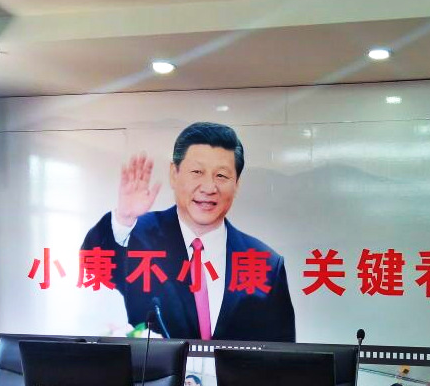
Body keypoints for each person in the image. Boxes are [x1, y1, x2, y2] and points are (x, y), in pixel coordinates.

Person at [82, 122, 295, 342]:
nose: (209, 187)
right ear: (174, 174)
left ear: (237, 184)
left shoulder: (267, 263)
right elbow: (92, 266)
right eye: (197, 172)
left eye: (221, 176)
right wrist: (124, 218)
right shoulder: (137, 234)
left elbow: (283, 353)